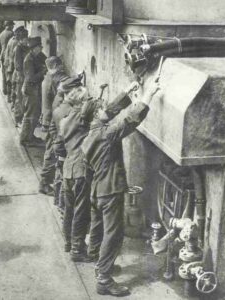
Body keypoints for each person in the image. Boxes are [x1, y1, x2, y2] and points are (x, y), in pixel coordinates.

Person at [81, 80, 160, 297]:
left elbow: (109, 111)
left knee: (98, 229)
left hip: (97, 190)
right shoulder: (107, 134)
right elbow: (129, 120)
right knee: (114, 235)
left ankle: (99, 262)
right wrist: (148, 95)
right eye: (100, 107)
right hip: (110, 191)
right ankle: (104, 280)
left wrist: (127, 90)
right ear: (96, 114)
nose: (105, 108)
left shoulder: (93, 129)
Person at [58, 87, 98, 261]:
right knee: (81, 212)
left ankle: (68, 243)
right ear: (81, 102)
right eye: (86, 98)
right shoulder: (82, 118)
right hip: (81, 171)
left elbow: (60, 146)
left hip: (68, 170)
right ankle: (77, 250)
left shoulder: (64, 120)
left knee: (69, 210)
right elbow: (91, 106)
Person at [39, 74, 83, 196]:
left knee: (55, 162)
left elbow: (53, 125)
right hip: (60, 139)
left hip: (57, 136)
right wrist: (58, 138)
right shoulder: (66, 106)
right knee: (53, 161)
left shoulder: (60, 98)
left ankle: (56, 195)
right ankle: (45, 184)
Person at [20, 36, 47, 147]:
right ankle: (25, 139)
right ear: (34, 48)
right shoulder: (29, 59)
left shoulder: (37, 56)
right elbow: (31, 78)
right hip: (30, 89)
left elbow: (46, 59)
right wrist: (43, 71)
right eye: (40, 46)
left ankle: (30, 136)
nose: (41, 48)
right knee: (30, 114)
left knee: (35, 114)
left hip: (35, 89)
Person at [4, 25, 25, 103]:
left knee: (10, 83)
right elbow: (14, 56)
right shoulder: (16, 43)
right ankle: (13, 101)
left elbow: (7, 52)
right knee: (14, 84)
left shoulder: (11, 40)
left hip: (9, 64)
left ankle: (10, 99)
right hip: (13, 65)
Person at [13, 29, 29, 126]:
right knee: (19, 98)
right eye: (25, 38)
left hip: (24, 75)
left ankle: (22, 117)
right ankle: (18, 119)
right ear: (21, 39)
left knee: (24, 98)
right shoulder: (18, 49)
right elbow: (18, 65)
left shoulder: (24, 47)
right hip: (20, 76)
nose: (27, 39)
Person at [0, 21, 14, 95]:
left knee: (3, 74)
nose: (13, 26)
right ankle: (9, 92)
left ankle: (4, 89)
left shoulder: (1, 33)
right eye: (12, 25)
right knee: (9, 74)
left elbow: (1, 46)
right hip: (7, 55)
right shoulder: (11, 34)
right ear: (9, 25)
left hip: (2, 54)